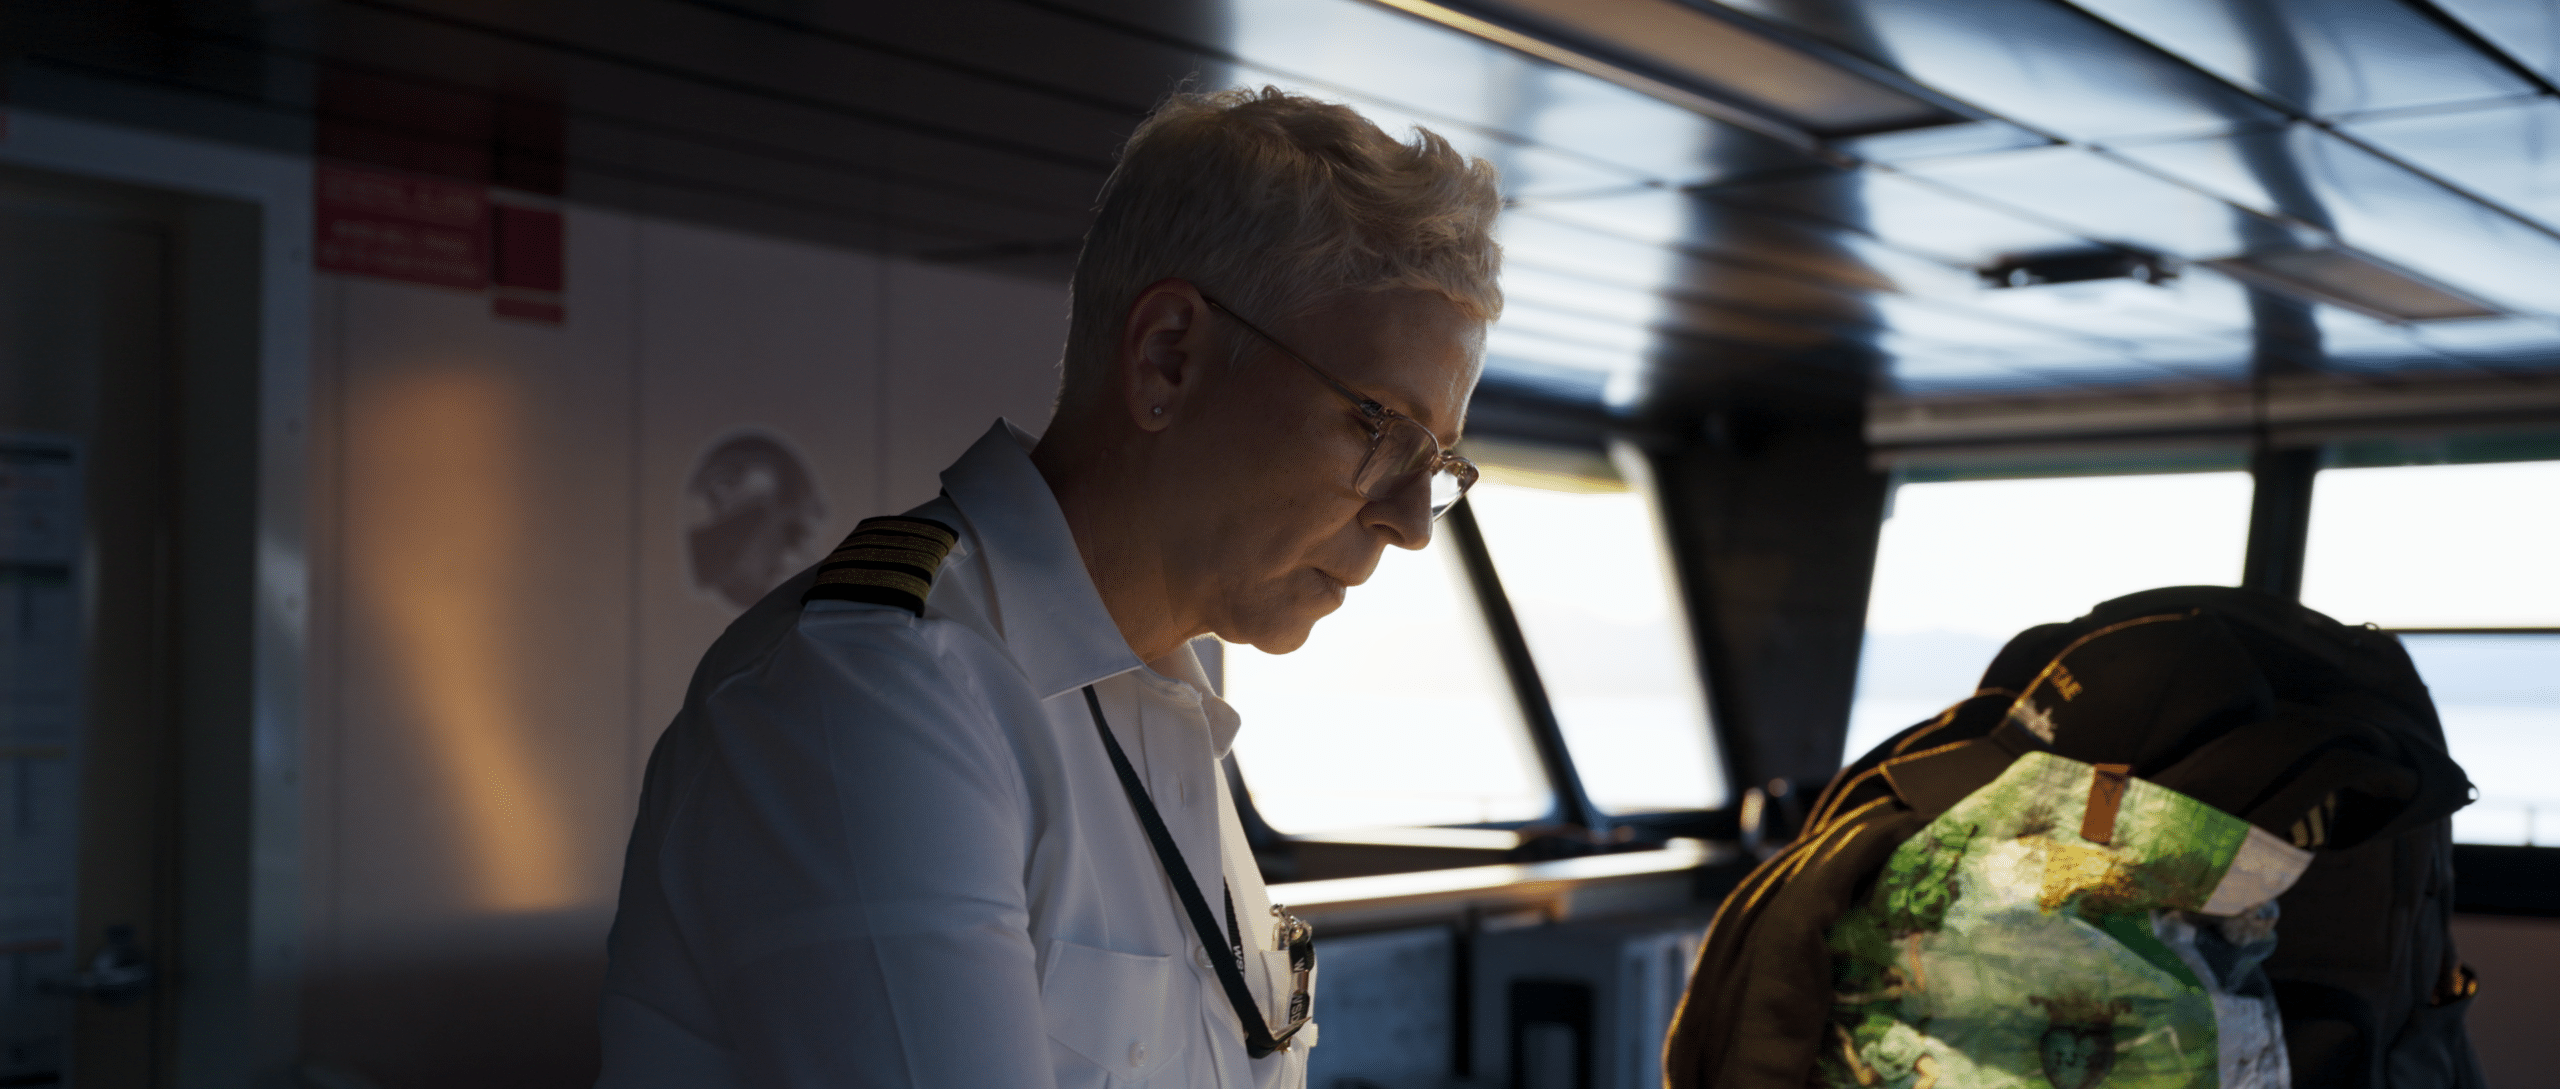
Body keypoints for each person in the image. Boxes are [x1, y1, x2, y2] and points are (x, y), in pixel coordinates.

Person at [595, 86, 1504, 1088]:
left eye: (1440, 465)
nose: (1414, 523)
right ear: (1169, 357)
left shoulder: (1168, 697)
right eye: (1380, 429)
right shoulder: (880, 693)